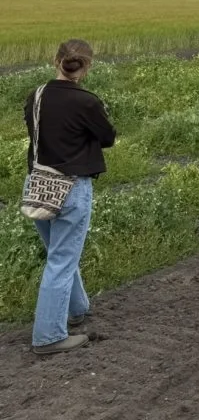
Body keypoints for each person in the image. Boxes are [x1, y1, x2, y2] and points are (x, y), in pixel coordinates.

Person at [24, 39, 116, 355]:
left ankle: (77, 309)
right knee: (62, 260)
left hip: (37, 183)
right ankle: (48, 336)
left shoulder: (35, 96)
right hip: (72, 187)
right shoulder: (87, 102)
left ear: (56, 61)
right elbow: (108, 137)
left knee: (58, 252)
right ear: (86, 66)